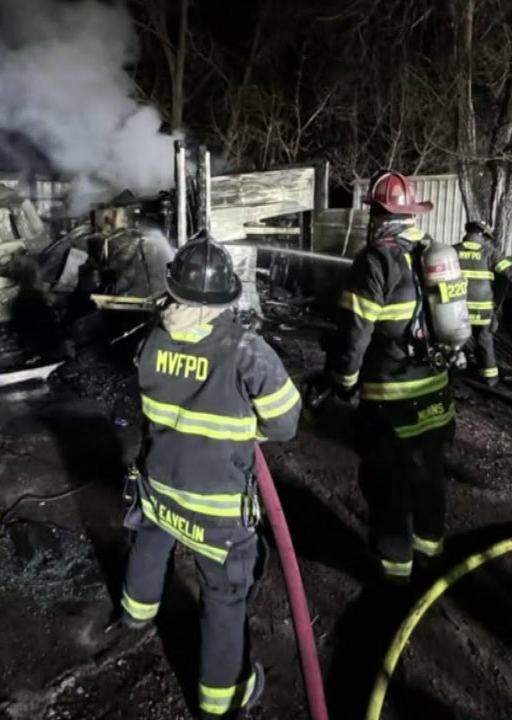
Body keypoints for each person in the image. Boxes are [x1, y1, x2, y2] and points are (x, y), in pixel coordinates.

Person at [119, 236, 302, 719]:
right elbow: (285, 423)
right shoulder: (246, 351)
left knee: (149, 539)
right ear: (226, 296)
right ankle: (222, 701)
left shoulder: (151, 340)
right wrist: (246, 427)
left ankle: (135, 613)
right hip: (216, 510)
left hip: (159, 487)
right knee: (224, 596)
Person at [319, 170, 455, 584]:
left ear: (378, 214)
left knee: (388, 484)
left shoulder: (375, 261)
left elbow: (355, 334)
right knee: (429, 476)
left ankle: (392, 570)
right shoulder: (431, 252)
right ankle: (430, 552)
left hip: (391, 399)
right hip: (437, 392)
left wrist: (343, 381)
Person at [455, 220, 512, 384]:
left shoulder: (453, 251)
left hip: (458, 308)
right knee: (484, 340)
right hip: (482, 309)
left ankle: (454, 373)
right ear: (482, 236)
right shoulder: (489, 252)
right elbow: (510, 271)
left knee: (455, 340)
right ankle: (490, 377)